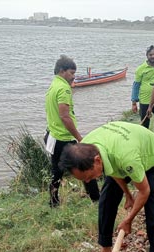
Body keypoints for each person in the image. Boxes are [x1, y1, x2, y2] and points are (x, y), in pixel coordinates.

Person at [59, 121, 154, 252]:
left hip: (151, 156)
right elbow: (114, 170)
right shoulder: (86, 147)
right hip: (121, 152)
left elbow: (144, 191)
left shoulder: (125, 157)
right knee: (107, 200)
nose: (89, 181)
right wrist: (128, 195)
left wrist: (129, 219)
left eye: (89, 177)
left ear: (97, 160)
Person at [44, 55, 100, 207]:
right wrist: (79, 138)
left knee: (57, 171)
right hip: (64, 138)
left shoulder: (53, 85)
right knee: (86, 164)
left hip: (53, 136)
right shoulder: (64, 89)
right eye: (72, 73)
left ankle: (53, 202)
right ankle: (96, 198)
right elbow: (65, 116)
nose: (73, 76)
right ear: (62, 71)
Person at [131, 45, 154, 128]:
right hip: (145, 100)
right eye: (150, 55)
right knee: (145, 124)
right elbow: (136, 86)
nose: (153, 56)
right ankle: (144, 140)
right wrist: (134, 103)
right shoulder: (140, 69)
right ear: (147, 56)